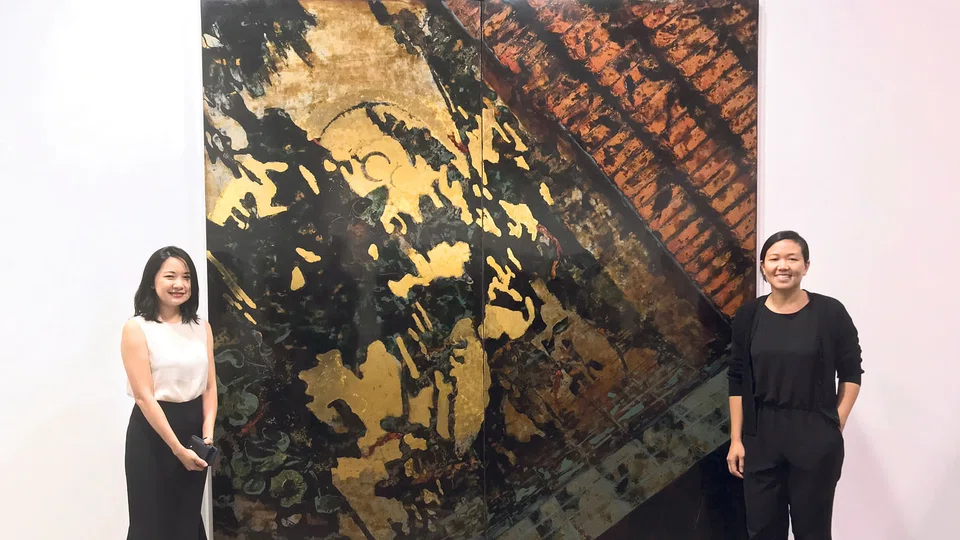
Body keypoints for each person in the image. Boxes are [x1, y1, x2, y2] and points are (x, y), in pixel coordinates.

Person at [726, 231, 863, 539]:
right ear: (763, 266)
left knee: (812, 531)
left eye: (792, 258)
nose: (783, 266)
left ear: (806, 266)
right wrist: (736, 439)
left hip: (813, 433)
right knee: (762, 530)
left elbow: (852, 372)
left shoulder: (830, 313)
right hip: (760, 435)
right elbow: (737, 378)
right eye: (774, 259)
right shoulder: (749, 315)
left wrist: (835, 424)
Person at [121, 246, 217, 539]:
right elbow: (143, 397)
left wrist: (207, 435)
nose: (180, 284)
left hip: (194, 431)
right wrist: (177, 449)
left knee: (185, 519)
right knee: (151, 523)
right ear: (153, 281)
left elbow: (210, 386)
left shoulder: (201, 327)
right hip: (153, 433)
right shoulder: (137, 328)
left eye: (186, 277)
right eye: (170, 276)